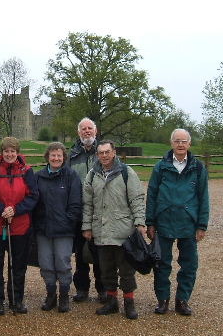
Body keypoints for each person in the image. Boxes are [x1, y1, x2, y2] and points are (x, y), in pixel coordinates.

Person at [146, 129, 210, 316]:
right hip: (164, 221)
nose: (180, 144)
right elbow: (152, 194)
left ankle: (182, 300)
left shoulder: (198, 168)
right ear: (171, 143)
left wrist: (201, 225)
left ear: (189, 144)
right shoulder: (160, 167)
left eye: (184, 141)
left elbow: (203, 197)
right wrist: (150, 222)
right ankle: (163, 299)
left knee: (189, 264)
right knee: (161, 263)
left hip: (188, 223)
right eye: (177, 141)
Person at [82, 140, 146, 320]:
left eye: (107, 152)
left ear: (114, 152)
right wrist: (87, 226)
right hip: (101, 231)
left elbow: (137, 199)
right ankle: (111, 302)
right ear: (97, 155)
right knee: (106, 270)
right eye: (101, 153)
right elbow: (87, 204)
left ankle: (129, 303)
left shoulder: (126, 173)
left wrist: (139, 222)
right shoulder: (92, 175)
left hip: (123, 231)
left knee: (126, 271)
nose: (104, 155)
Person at [0, 137, 38, 315]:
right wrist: (2, 210)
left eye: (13, 151)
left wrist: (15, 210)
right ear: (2, 152)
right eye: (6, 151)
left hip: (20, 226)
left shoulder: (27, 171)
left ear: (17, 152)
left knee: (18, 266)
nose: (9, 154)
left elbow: (33, 196)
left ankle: (17, 299)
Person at [34, 142, 82, 313]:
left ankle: (64, 295)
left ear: (64, 158)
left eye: (59, 156)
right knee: (46, 263)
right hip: (44, 229)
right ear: (47, 157)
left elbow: (75, 204)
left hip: (64, 229)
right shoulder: (38, 176)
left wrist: (68, 222)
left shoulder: (71, 176)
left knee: (62, 262)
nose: (56, 158)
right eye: (53, 155)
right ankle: (51, 294)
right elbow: (34, 201)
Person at [68, 117, 105, 303]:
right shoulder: (72, 155)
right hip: (79, 212)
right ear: (79, 132)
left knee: (100, 252)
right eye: (83, 129)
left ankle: (102, 289)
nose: (87, 131)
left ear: (95, 131)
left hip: (100, 213)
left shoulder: (104, 153)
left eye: (90, 128)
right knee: (81, 253)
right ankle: (82, 288)